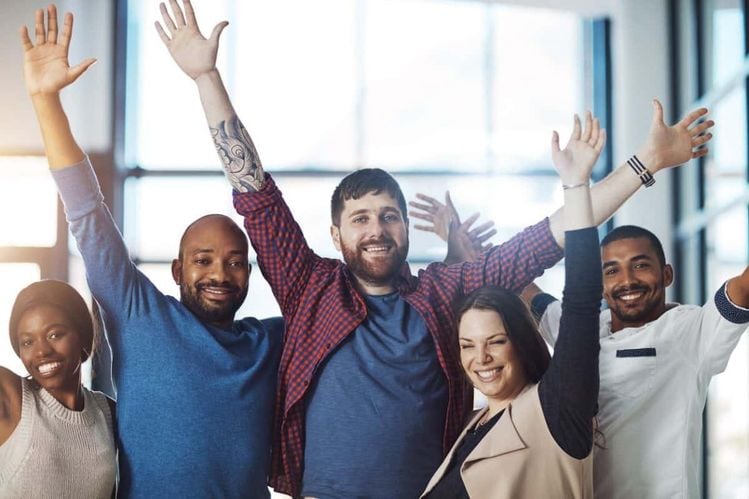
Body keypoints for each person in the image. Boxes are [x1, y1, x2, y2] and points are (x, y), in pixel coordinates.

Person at [157, 2, 713, 496]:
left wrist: (646, 165)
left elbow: (546, 239)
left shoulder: (445, 292)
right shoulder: (311, 287)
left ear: (405, 229)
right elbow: (255, 193)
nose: (376, 229)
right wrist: (206, 78)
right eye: (360, 219)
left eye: (389, 216)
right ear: (337, 236)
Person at [20, 5, 283, 497]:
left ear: (250, 273)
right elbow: (87, 211)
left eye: (234, 262)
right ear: (177, 270)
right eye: (203, 260)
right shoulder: (140, 313)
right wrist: (45, 100)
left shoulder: (268, 343)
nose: (219, 274)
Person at [421, 104, 604, 499]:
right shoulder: (473, 426)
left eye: (495, 341)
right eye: (468, 345)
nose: (480, 358)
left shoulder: (556, 410)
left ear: (521, 341)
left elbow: (582, 302)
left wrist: (576, 187)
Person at [525, 225, 749, 498]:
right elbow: (536, 300)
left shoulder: (691, 332)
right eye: (612, 271)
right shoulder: (582, 329)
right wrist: (470, 256)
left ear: (667, 274)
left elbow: (743, 287)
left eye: (640, 265)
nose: (627, 280)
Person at [0, 280, 116, 497]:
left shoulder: (108, 412)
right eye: (27, 342)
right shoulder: (12, 398)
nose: (41, 351)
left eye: (55, 335)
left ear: (81, 335)